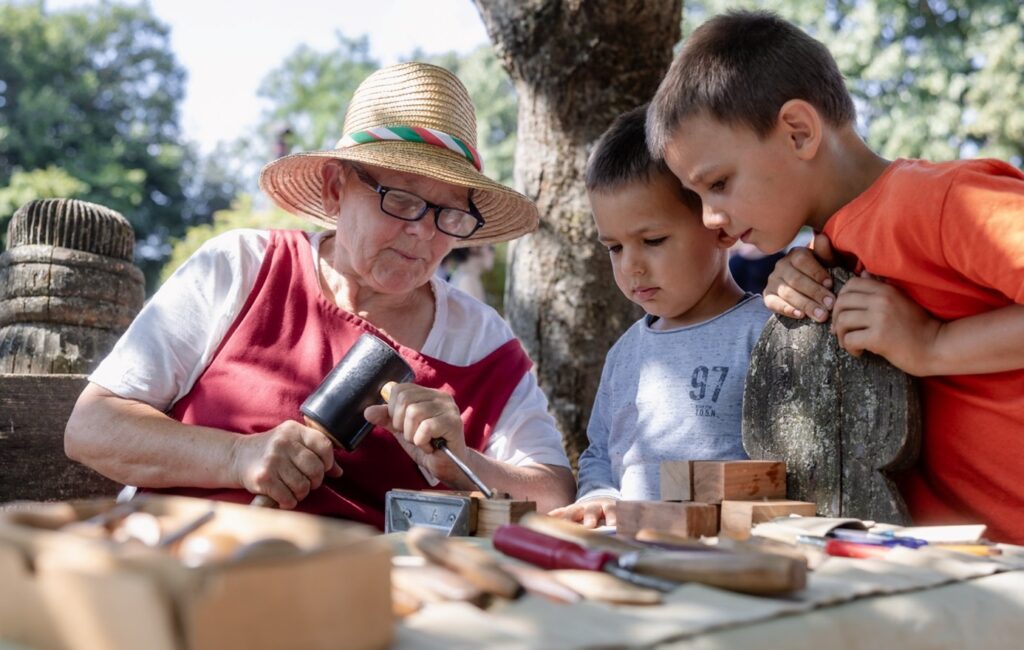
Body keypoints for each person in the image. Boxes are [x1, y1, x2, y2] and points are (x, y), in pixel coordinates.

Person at [64, 62, 576, 528]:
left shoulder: (480, 342)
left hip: (357, 598)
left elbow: (553, 492)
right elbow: (92, 426)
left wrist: (461, 463)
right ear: (335, 189)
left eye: (449, 214)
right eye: (400, 200)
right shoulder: (241, 268)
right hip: (179, 568)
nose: (424, 233)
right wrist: (236, 458)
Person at [645, 11, 1024, 543]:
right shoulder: (828, 255)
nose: (710, 218)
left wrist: (934, 345)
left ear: (798, 132)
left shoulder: (939, 202)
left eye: (720, 183)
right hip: (953, 567)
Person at [549, 105, 770, 528]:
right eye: (614, 247)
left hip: (730, 559)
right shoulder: (626, 352)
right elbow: (600, 451)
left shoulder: (764, 334)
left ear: (718, 225)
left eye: (652, 240)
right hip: (633, 555)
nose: (631, 266)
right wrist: (598, 496)